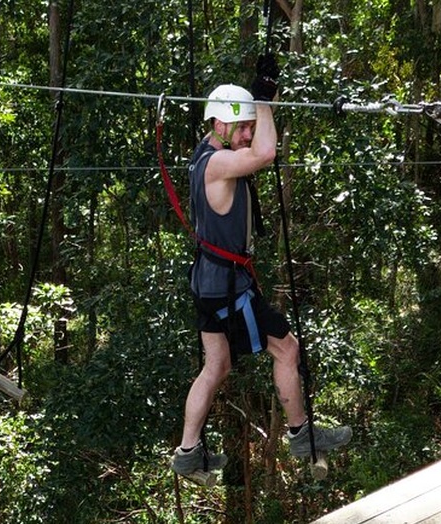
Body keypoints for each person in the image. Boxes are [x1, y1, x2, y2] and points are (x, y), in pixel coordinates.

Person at [170, 55, 351, 479]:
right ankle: (300, 435)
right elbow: (266, 153)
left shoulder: (203, 155)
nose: (248, 134)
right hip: (227, 286)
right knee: (286, 348)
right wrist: (264, 100)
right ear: (218, 124)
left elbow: (256, 149)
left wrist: (259, 101)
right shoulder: (217, 164)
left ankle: (188, 452)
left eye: (250, 125)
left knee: (216, 366)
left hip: (211, 282)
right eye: (242, 126)